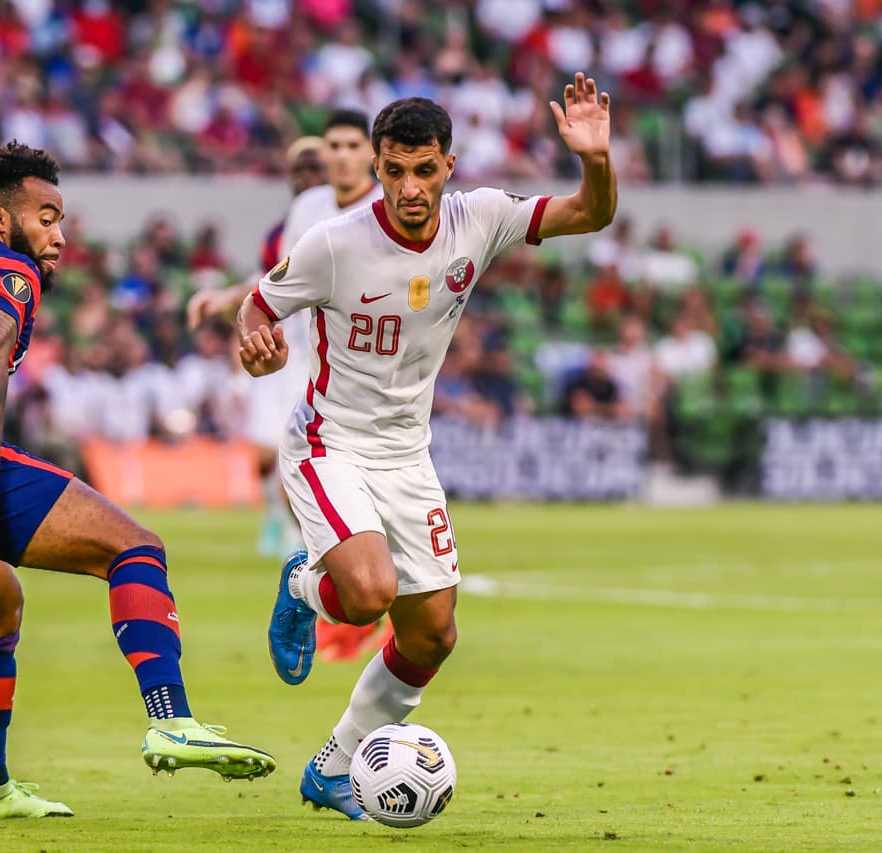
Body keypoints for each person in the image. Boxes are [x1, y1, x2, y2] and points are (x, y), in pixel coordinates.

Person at [0, 141, 275, 822]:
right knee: (135, 547)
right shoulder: (8, 267)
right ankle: (172, 720)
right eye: (45, 218)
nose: (58, 236)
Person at [236, 75, 616, 820]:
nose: (410, 187)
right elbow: (259, 305)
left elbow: (591, 213)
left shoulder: (481, 218)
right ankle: (304, 586)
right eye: (394, 170)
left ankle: (333, 766)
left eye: (424, 169)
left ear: (449, 164)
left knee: (433, 634)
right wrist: (258, 346)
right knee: (367, 594)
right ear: (377, 167)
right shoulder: (334, 243)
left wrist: (596, 159)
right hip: (329, 441)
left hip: (408, 453)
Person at [190, 112, 388, 659]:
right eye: (333, 146)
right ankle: (323, 588)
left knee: (364, 492)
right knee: (300, 477)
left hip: (375, 372)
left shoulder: (389, 207)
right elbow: (281, 277)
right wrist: (231, 301)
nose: (341, 156)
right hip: (307, 362)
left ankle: (324, 585)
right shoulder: (309, 208)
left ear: (371, 155)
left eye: (352, 145)